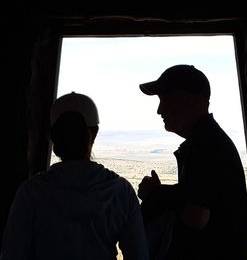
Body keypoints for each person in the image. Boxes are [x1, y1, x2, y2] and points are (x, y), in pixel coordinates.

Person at [0, 92, 149, 260]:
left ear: (53, 137)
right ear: (94, 133)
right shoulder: (121, 191)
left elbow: (13, 253)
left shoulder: (30, 192)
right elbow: (139, 254)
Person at [138, 65, 247, 259]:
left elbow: (196, 216)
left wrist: (156, 195)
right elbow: (198, 193)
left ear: (190, 102)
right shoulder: (207, 142)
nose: (159, 110)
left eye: (165, 100)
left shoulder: (205, 146)